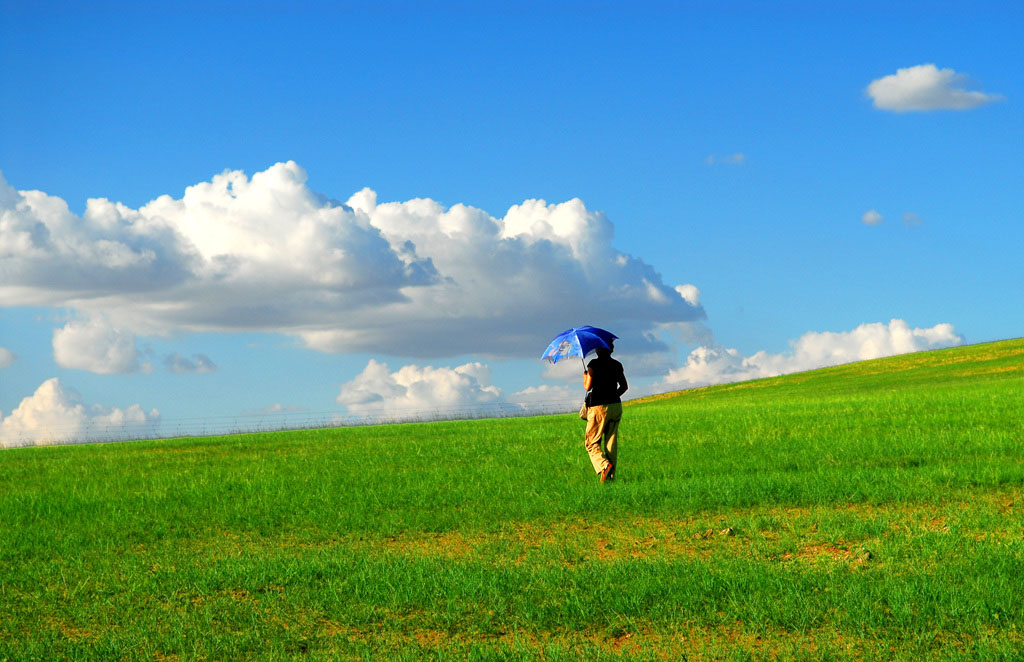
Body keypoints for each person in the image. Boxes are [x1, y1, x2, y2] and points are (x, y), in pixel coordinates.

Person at [582, 341, 628, 482]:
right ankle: (611, 477)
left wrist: (585, 375)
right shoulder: (617, 364)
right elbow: (624, 386)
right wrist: (613, 396)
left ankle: (604, 466)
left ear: (599, 350)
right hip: (615, 405)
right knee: (611, 443)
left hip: (598, 407)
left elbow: (587, 387)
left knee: (591, 442)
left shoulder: (593, 364)